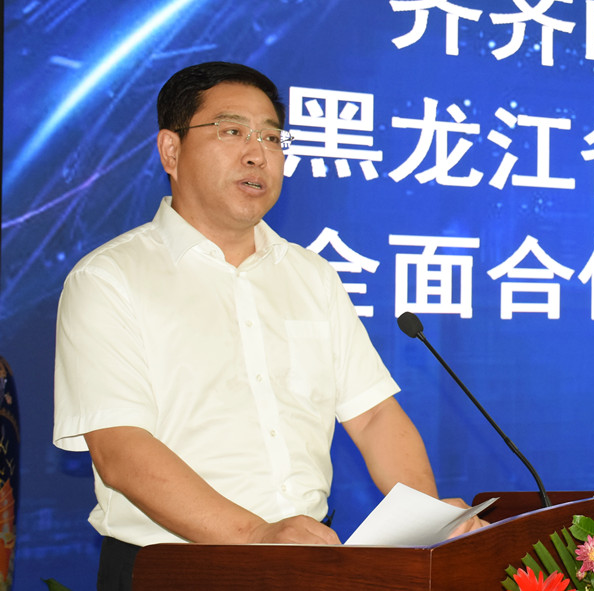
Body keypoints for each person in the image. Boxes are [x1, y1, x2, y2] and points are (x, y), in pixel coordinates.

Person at [53, 61, 484, 589]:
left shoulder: (311, 275)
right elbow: (120, 448)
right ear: (171, 151)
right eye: (232, 131)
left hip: (306, 560)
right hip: (174, 570)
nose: (257, 153)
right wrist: (255, 536)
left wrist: (427, 519)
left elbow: (373, 417)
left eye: (273, 137)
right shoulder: (109, 278)